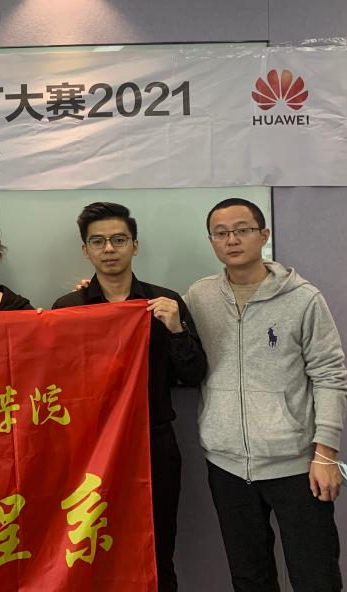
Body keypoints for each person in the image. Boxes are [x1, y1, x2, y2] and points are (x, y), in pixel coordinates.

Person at [184, 197, 347, 592]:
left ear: (263, 235)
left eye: (242, 230)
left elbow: (330, 376)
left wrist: (326, 454)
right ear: (212, 241)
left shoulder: (303, 298)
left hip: (296, 465)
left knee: (316, 578)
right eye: (221, 233)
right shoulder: (199, 297)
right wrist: (90, 296)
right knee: (250, 578)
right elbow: (165, 333)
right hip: (226, 465)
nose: (232, 239)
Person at [51, 202, 207, 592]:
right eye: (98, 241)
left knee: (156, 548)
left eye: (119, 239)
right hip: (90, 448)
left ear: (135, 245)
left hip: (153, 443)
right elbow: (55, 382)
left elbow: (194, 375)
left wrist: (176, 330)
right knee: (92, 549)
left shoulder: (164, 302)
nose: (109, 249)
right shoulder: (68, 308)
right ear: (85, 250)